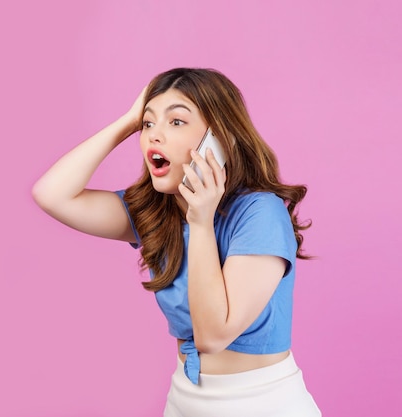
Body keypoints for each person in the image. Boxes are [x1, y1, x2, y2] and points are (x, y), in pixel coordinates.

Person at [32, 67, 321, 417]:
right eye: (149, 124)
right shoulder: (157, 212)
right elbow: (51, 194)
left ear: (221, 138)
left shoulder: (260, 213)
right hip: (184, 400)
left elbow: (213, 336)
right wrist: (127, 121)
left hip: (260, 403)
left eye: (176, 122)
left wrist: (200, 222)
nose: (154, 136)